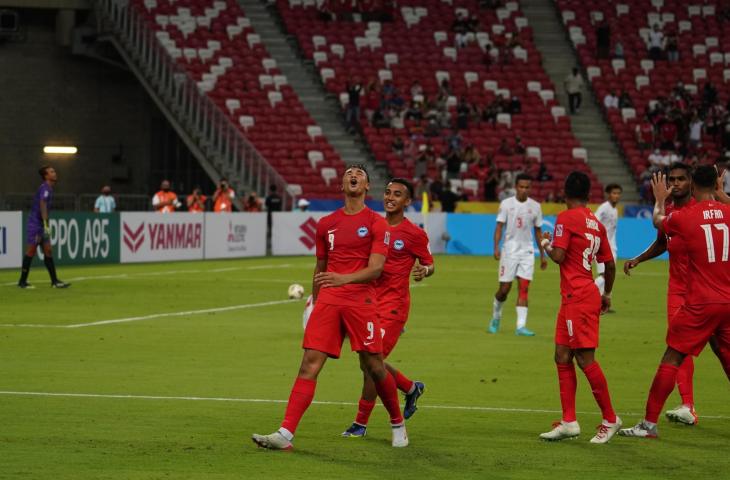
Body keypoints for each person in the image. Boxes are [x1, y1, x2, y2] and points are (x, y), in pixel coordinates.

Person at [252, 165, 408, 450]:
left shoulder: (377, 223)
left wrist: (342, 278)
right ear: (342, 185)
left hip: (361, 300)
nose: (353, 176)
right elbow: (320, 267)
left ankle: (397, 422)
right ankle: (285, 434)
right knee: (308, 365)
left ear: (366, 186)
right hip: (329, 302)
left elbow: (376, 269)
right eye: (349, 173)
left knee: (374, 366)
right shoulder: (326, 224)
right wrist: (314, 300)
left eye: (359, 175)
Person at [620, 167, 730, 439]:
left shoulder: (684, 217)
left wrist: (658, 199)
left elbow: (658, 221)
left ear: (692, 185)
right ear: (716, 185)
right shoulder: (728, 213)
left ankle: (648, 425)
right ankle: (684, 405)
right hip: (728, 302)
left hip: (700, 303)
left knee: (672, 357)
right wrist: (721, 193)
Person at [342, 178, 435, 437]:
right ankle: (409, 387)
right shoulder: (372, 225)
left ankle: (360, 423)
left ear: (407, 202)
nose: (390, 197)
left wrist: (423, 270)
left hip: (393, 307)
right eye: (387, 193)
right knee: (367, 362)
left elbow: (430, 264)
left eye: (397, 194)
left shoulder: (414, 233)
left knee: (373, 363)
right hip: (367, 303)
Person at [539, 171, 621, 443]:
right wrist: (607, 293)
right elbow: (609, 264)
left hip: (578, 297)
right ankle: (569, 422)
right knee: (562, 355)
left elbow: (559, 256)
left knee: (585, 359)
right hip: (579, 296)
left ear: (564, 193)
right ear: (589, 195)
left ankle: (610, 419)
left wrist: (546, 243)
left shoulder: (566, 218)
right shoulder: (595, 223)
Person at [623, 163, 699, 424]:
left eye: (681, 179)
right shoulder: (669, 211)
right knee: (679, 346)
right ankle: (687, 404)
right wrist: (639, 259)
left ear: (691, 182)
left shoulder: (698, 210)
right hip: (677, 290)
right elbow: (662, 243)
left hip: (703, 290)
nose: (675, 184)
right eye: (672, 180)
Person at [489, 174, 547, 336]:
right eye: (521, 186)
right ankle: (496, 317)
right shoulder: (506, 204)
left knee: (524, 288)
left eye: (527, 187)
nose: (524, 190)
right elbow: (499, 227)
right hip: (509, 251)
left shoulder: (535, 206)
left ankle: (521, 326)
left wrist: (542, 255)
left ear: (530, 188)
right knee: (504, 290)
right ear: (516, 187)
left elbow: (538, 232)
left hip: (527, 252)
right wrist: (496, 247)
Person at [17, 166, 70, 289]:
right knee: (31, 251)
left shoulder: (49, 189)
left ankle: (54, 281)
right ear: (46, 176)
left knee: (48, 251)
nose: (55, 173)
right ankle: (22, 282)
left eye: (54, 171)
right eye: (51, 172)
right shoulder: (45, 188)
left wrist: (45, 224)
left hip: (41, 224)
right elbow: (43, 205)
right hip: (36, 224)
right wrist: (46, 224)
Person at [594, 184, 622, 297]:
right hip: (602, 247)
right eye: (614, 193)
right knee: (604, 275)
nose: (616, 196)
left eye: (618, 193)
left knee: (609, 275)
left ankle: (603, 300)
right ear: (608, 195)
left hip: (611, 246)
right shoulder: (604, 207)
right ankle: (584, 290)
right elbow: (594, 221)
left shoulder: (614, 210)